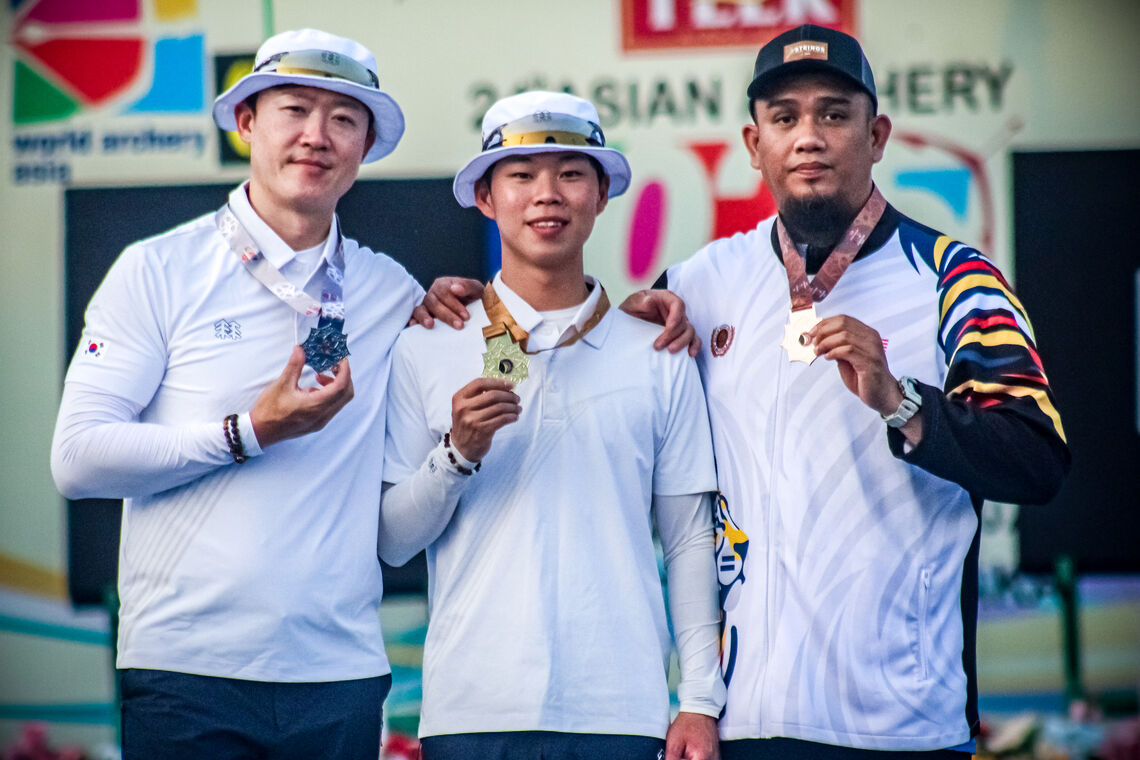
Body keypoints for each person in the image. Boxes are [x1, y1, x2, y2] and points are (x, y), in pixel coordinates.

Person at [655, 24, 1071, 759]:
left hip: (903, 724)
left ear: (876, 135)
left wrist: (904, 403)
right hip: (747, 721)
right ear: (754, 146)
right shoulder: (697, 284)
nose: (808, 137)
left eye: (833, 114)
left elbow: (1039, 462)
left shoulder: (956, 280)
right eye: (784, 118)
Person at [50, 28, 424, 759]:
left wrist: (645, 307)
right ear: (247, 122)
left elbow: (521, 330)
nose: (317, 136)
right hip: (187, 673)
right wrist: (248, 430)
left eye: (344, 119)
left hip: (341, 675)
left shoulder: (394, 291)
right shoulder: (156, 269)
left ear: (365, 149)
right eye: (294, 108)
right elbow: (77, 459)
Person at [378, 91, 725, 760]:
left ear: (601, 195)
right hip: (471, 711)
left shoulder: (656, 350)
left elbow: (688, 541)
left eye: (571, 173)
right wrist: (456, 455)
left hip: (623, 711)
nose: (548, 195)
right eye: (521, 175)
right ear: (485, 197)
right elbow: (393, 541)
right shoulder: (427, 345)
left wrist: (699, 701)